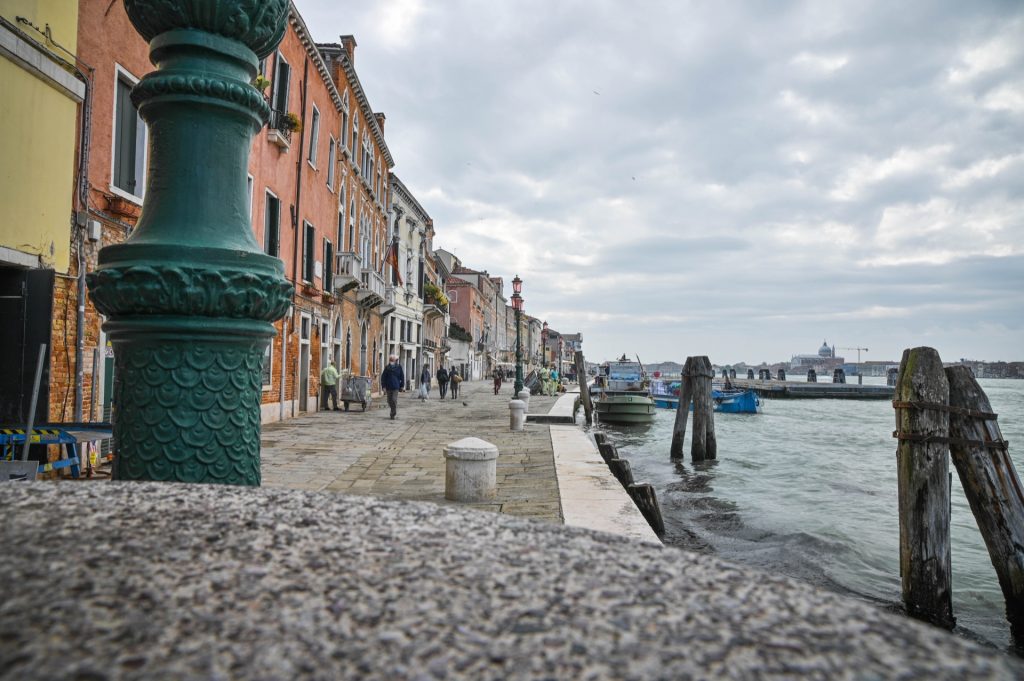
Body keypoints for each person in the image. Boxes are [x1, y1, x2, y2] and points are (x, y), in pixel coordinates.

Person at [381, 354, 405, 420]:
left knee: (394, 400)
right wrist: (383, 386)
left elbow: (402, 377)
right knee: (389, 401)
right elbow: (383, 377)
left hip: (396, 386)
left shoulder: (399, 367)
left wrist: (402, 385)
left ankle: (393, 412)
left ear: (395, 360)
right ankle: (393, 410)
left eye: (392, 359)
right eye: (390, 359)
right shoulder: (387, 368)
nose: (391, 360)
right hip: (388, 386)